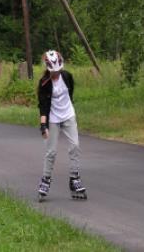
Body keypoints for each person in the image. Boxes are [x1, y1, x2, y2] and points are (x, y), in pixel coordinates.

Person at [37, 50, 87, 200]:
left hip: (68, 115)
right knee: (51, 151)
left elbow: (70, 93)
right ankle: (45, 180)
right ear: (47, 68)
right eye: (53, 71)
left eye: (58, 70)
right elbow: (43, 106)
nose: (56, 73)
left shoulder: (67, 76)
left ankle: (74, 179)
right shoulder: (44, 83)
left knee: (75, 146)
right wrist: (43, 126)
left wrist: (68, 107)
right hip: (53, 118)